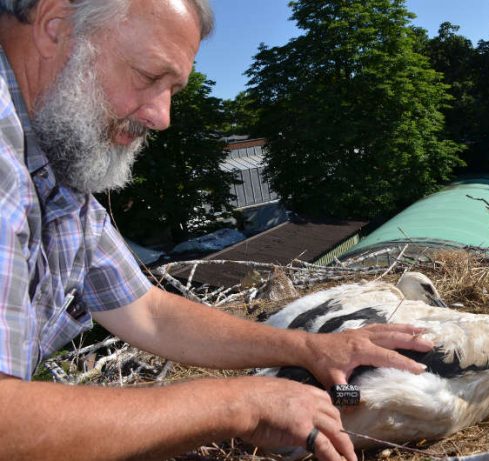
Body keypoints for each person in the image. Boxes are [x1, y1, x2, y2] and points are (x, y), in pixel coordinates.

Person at [0, 1, 434, 460]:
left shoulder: (59, 181)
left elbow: (148, 312)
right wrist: (237, 404)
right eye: (149, 76)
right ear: (54, 26)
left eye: (173, 90)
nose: (161, 117)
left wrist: (310, 348)